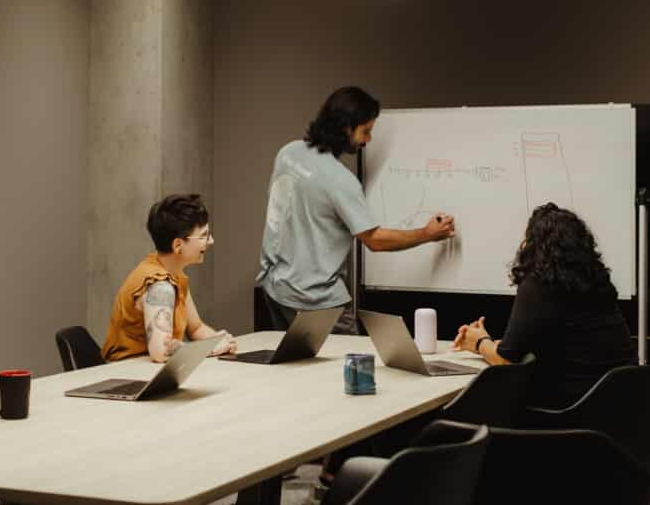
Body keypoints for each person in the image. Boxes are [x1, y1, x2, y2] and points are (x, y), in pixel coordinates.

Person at [257, 86, 456, 328]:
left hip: (277, 291)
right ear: (345, 127)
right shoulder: (341, 181)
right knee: (350, 365)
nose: (368, 140)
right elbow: (375, 240)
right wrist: (426, 234)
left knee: (293, 364)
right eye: (366, 131)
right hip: (317, 302)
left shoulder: (288, 153)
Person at [452, 202, 636, 409]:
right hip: (620, 410)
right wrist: (492, 344)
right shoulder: (596, 283)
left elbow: (506, 361)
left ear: (534, 245)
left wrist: (478, 342)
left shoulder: (538, 285)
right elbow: (523, 347)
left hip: (568, 415)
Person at [101, 194, 237, 362]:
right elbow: (161, 350)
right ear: (178, 245)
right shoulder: (159, 285)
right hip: (130, 374)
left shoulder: (174, 274)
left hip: (152, 372)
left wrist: (219, 340)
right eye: (204, 236)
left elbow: (196, 328)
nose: (211, 241)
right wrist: (210, 348)